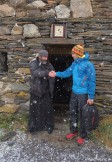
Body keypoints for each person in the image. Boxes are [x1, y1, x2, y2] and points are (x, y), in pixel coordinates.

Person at [49, 44, 96, 145]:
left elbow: (92, 82)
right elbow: (67, 73)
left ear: (78, 53)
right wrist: (56, 74)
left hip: (83, 94)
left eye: (73, 53)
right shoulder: (75, 63)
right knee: (72, 112)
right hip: (74, 92)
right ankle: (73, 131)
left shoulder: (88, 65)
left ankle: (82, 135)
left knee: (83, 115)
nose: (72, 55)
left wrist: (91, 97)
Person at [28, 49, 55, 134]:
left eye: (46, 56)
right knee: (34, 110)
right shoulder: (33, 63)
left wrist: (51, 74)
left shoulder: (48, 64)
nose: (45, 58)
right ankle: (33, 127)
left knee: (48, 110)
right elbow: (35, 72)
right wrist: (46, 73)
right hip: (36, 91)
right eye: (44, 57)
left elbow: (52, 72)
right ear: (39, 56)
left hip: (46, 91)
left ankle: (49, 126)